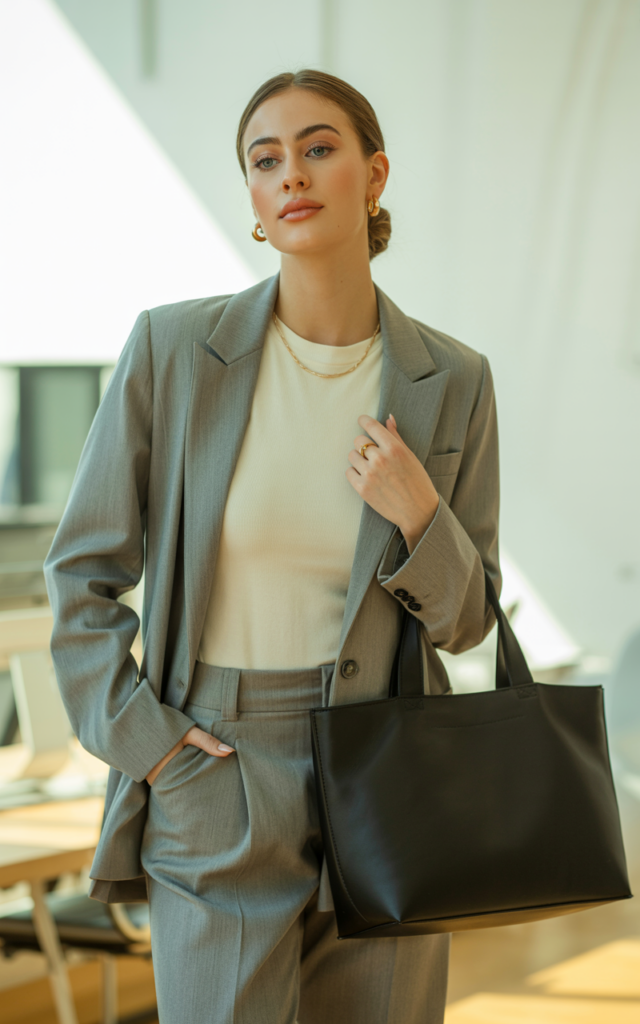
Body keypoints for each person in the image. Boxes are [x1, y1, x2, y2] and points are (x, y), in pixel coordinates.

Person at [45, 69, 501, 1024]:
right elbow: (82, 573)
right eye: (266, 158)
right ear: (253, 196)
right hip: (215, 765)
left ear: (374, 175)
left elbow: (468, 621)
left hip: (387, 767)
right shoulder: (173, 353)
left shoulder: (451, 379)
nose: (291, 172)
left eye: (319, 148)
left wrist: (419, 514)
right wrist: (151, 746)